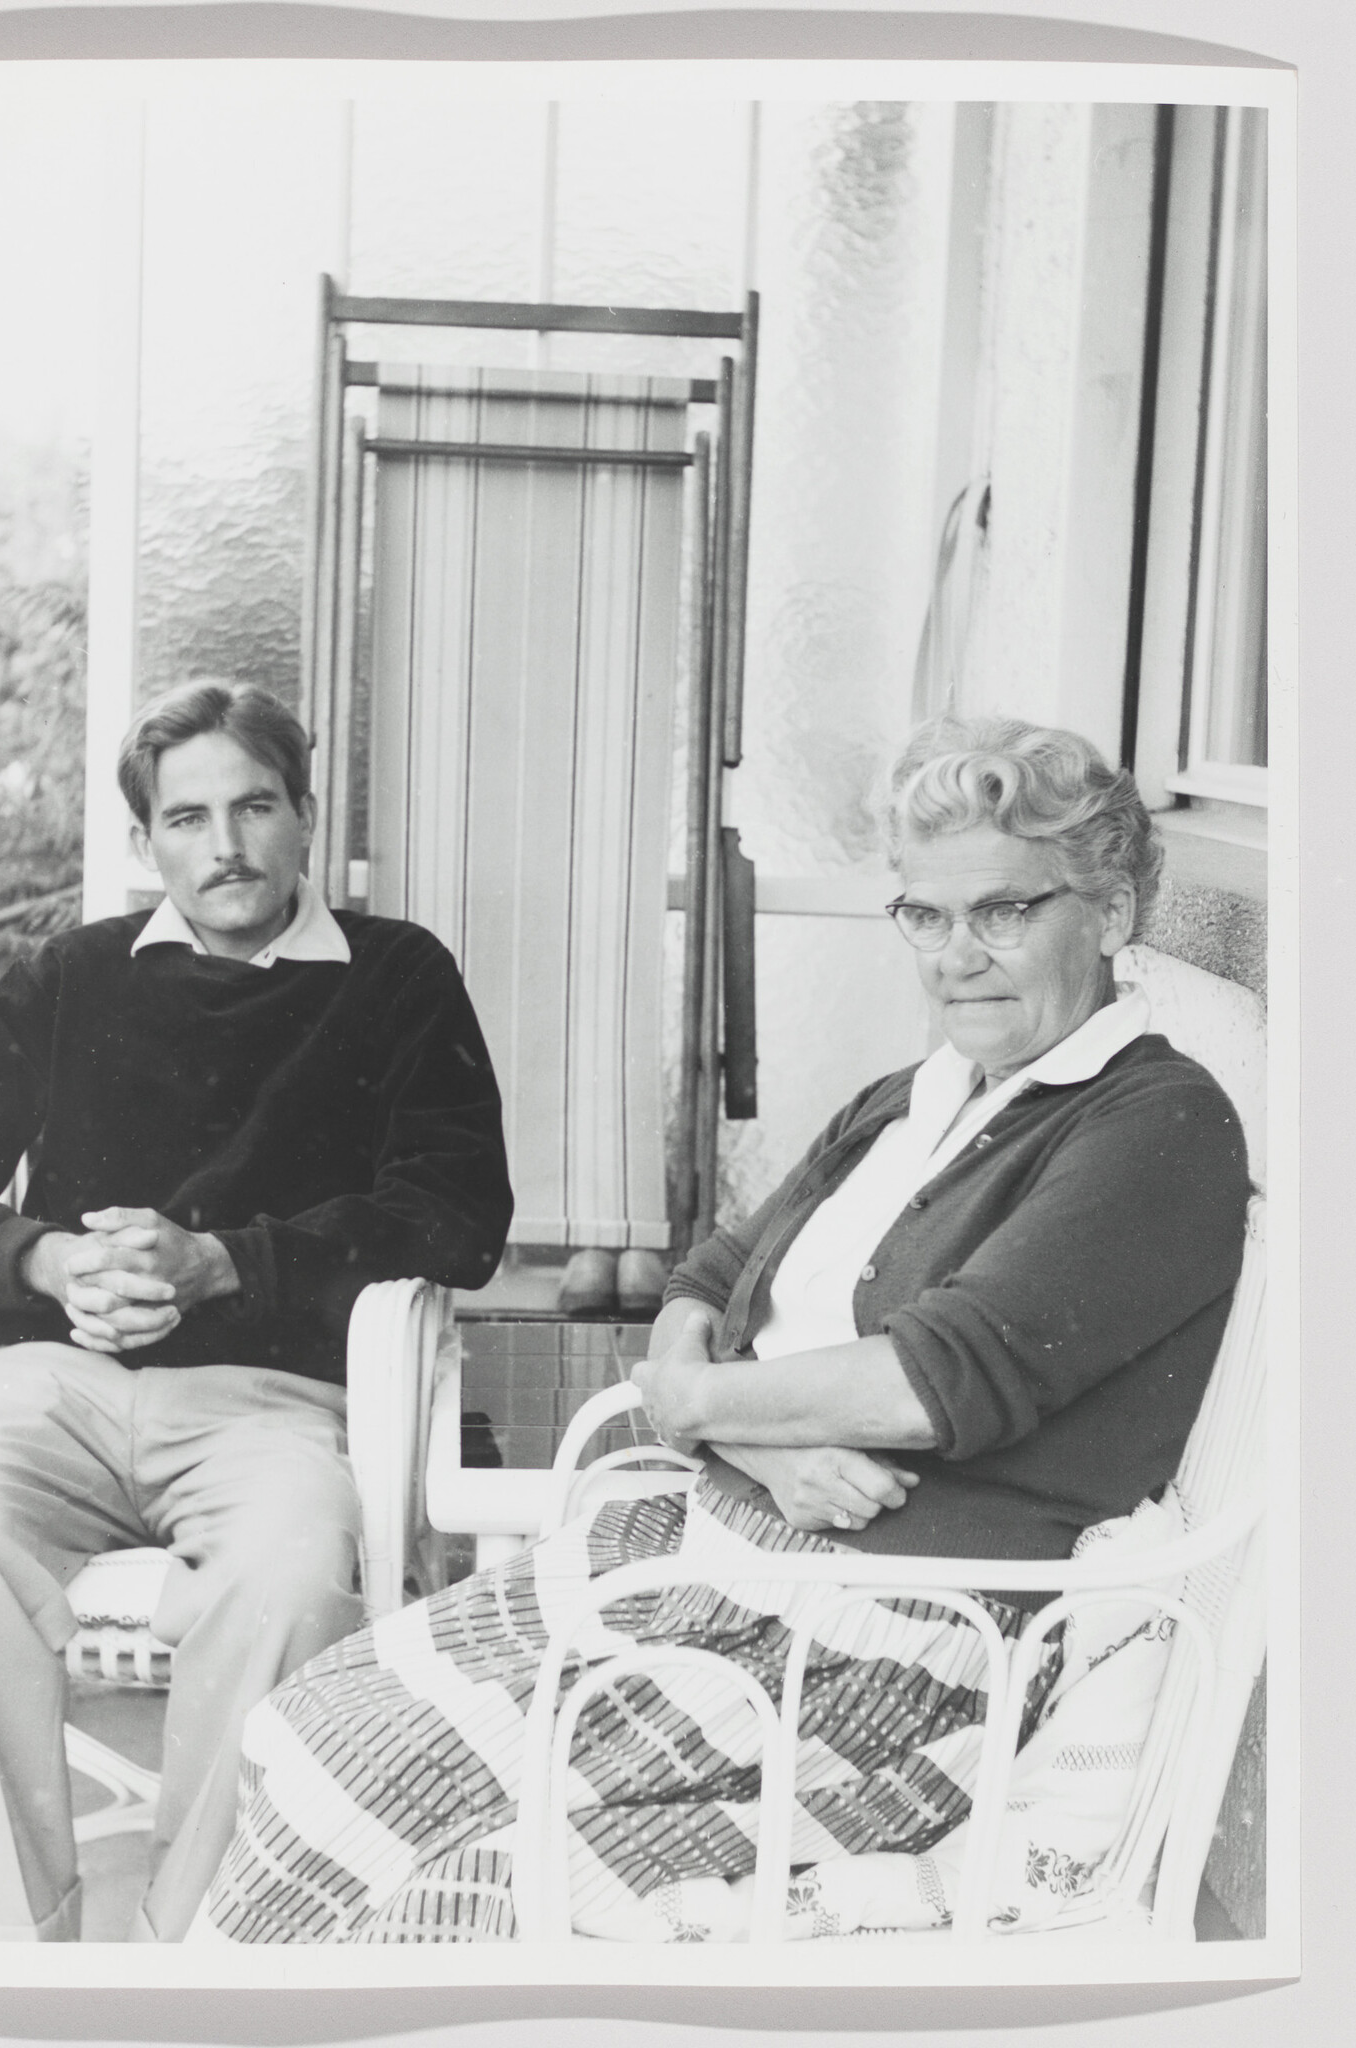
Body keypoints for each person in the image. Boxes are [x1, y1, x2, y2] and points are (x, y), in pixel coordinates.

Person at [194, 713, 1251, 1944]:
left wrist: (693, 1403)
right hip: (706, 1540)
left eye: (1004, 911)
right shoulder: (920, 1092)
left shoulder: (1152, 1124)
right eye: (924, 914)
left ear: (1112, 911)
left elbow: (928, 1380)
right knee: (308, 1728)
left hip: (889, 1644)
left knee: (434, 1866)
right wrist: (742, 1436)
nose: (956, 956)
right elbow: (713, 1274)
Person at [0, 681, 514, 1942]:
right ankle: (29, 1941)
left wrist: (228, 1262)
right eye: (189, 816)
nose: (226, 846)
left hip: (272, 1404)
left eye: (255, 805)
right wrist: (41, 1258)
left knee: (292, 1576)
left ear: (305, 815)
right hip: (53, 1388)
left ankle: (185, 1949)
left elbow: (456, 1216)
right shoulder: (74, 974)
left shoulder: (396, 974)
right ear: (145, 840)